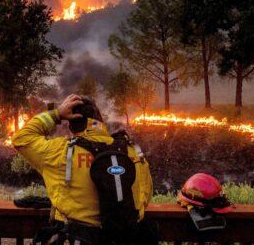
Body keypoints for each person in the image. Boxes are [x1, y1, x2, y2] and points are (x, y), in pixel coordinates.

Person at [12, 94, 155, 245]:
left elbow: (22, 138)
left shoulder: (61, 152)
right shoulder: (133, 152)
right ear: (100, 121)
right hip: (128, 239)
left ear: (71, 124)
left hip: (78, 239)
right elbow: (146, 196)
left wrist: (57, 114)